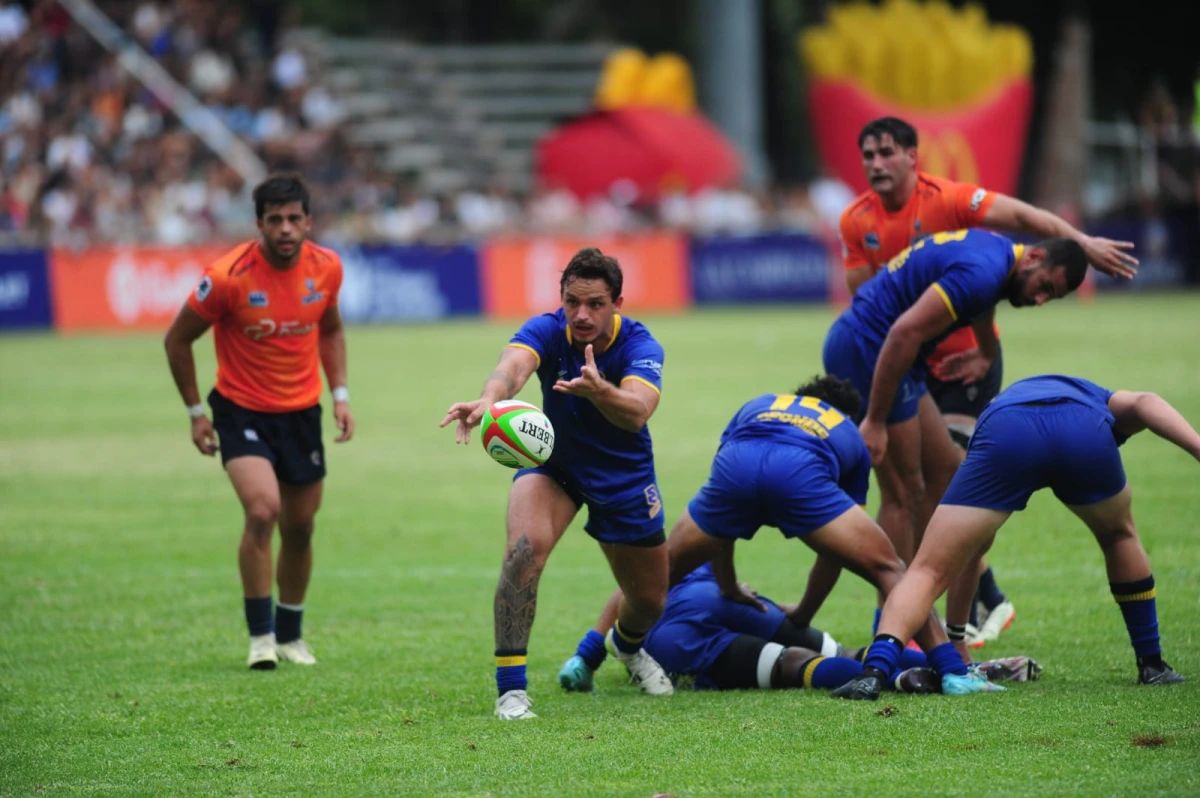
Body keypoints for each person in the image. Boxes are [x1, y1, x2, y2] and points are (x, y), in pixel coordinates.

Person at [839, 116, 1140, 645]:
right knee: (920, 488)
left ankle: (946, 611)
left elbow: (1020, 223)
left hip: (963, 365)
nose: (876, 163)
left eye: (887, 152)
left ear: (913, 156)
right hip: (901, 355)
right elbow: (880, 314)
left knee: (952, 481)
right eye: (868, 154)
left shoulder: (951, 199)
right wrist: (877, 414)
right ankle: (924, 617)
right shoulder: (855, 221)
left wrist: (1079, 242)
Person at [559, 374, 984, 694]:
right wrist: (802, 613)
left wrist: (726, 584)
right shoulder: (845, 429)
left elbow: (721, 530)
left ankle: (586, 655)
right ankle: (952, 671)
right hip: (799, 471)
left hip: (739, 465)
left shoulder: (758, 404)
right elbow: (835, 554)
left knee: (654, 571)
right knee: (891, 569)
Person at [833, 375, 1197, 700]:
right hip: (1081, 430)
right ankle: (1152, 666)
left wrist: (957, 640)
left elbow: (975, 549)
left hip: (1007, 432)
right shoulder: (1098, 398)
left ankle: (873, 673)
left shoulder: (1007, 404)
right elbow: (1147, 402)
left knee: (926, 571)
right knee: (1119, 536)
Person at [440, 247, 674, 721]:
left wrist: (599, 389)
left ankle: (627, 649)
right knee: (523, 552)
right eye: (572, 302)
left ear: (617, 303)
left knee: (649, 599)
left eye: (595, 304)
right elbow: (512, 368)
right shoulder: (547, 329)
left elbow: (637, 411)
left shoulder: (641, 346)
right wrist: (489, 399)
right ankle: (511, 690)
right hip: (555, 464)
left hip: (623, 474)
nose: (582, 314)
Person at [823, 228, 1089, 603]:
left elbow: (982, 302)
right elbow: (903, 333)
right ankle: (895, 620)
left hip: (890, 352)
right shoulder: (982, 272)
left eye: (1052, 297)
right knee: (903, 491)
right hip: (870, 349)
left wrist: (985, 350)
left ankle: (916, 597)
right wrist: (876, 421)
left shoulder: (998, 256)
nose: (1041, 299)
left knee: (946, 468)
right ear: (1033, 258)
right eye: (1045, 286)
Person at [163, 173, 354, 671]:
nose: (286, 229)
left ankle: (291, 635)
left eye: (294, 219)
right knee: (264, 510)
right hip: (240, 409)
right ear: (259, 225)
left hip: (301, 413)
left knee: (302, 526)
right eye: (276, 220)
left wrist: (340, 395)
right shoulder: (228, 276)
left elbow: (330, 331)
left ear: (308, 222)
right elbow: (177, 340)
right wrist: (195, 414)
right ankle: (261, 638)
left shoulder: (327, 268)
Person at [559, 563, 1042, 694]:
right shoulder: (690, 533)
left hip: (674, 639)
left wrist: (586, 656)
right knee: (849, 650)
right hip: (727, 594)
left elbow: (622, 596)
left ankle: (899, 680)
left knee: (797, 667)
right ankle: (966, 667)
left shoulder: (648, 554)